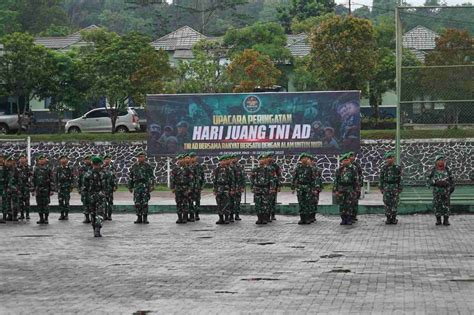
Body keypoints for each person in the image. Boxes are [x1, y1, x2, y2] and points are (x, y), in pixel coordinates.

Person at [128, 151, 155, 224]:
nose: (141, 158)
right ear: (137, 158)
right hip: (137, 186)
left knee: (145, 202)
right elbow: (131, 177)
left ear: (145, 157)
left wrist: (152, 185)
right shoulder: (134, 166)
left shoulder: (148, 166)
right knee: (137, 202)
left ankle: (145, 217)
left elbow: (152, 176)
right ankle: (139, 217)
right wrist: (130, 186)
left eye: (142, 157)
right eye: (139, 157)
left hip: (145, 186)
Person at [427, 155, 454, 226]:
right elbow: (428, 179)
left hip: (446, 191)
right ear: (436, 162)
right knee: (437, 205)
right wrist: (435, 182)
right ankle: (438, 220)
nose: (441, 162)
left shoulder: (447, 169)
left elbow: (452, 180)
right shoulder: (433, 170)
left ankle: (446, 220)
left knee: (446, 205)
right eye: (439, 160)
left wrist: (450, 187)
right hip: (437, 191)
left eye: (442, 160)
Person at [291, 153, 318, 225]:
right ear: (300, 159)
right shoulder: (297, 168)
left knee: (307, 203)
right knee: (301, 203)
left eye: (306, 158)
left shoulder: (310, 168)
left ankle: (307, 218)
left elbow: (313, 179)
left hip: (308, 187)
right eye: (303, 158)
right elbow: (294, 178)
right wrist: (293, 188)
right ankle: (302, 218)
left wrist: (314, 189)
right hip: (300, 187)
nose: (305, 159)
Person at [333, 152, 358, 225]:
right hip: (341, 189)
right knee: (342, 204)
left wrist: (356, 190)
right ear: (342, 161)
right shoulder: (339, 170)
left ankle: (349, 219)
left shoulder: (353, 169)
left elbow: (356, 180)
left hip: (350, 189)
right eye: (344, 160)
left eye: (347, 160)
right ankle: (343, 219)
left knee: (349, 204)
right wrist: (336, 190)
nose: (346, 161)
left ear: (349, 161)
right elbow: (336, 180)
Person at [83, 156, 106, 237]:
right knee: (100, 213)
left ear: (92, 164)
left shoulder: (87, 174)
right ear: (100, 164)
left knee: (92, 213)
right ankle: (97, 229)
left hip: (91, 196)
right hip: (100, 196)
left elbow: (84, 187)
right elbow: (106, 186)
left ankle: (94, 229)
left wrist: (85, 197)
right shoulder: (103, 173)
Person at [379, 151, 403, 224]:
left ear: (394, 158)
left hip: (394, 187)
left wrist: (400, 187)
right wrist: (381, 187)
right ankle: (388, 218)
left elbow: (400, 178)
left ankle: (394, 217)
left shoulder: (397, 168)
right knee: (387, 202)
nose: (389, 159)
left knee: (394, 203)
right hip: (386, 187)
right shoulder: (384, 168)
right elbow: (381, 178)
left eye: (391, 158)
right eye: (388, 158)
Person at [250, 154, 272, 225]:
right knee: (258, 204)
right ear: (258, 161)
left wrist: (271, 188)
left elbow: (272, 179)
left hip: (265, 188)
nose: (262, 160)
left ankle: (265, 218)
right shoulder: (255, 169)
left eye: (263, 159)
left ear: (265, 160)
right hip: (257, 188)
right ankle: (259, 218)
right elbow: (252, 179)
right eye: (260, 159)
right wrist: (252, 187)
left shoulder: (269, 169)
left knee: (265, 204)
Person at [170, 154, 193, 224]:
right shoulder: (175, 169)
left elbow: (191, 179)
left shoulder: (188, 169)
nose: (180, 160)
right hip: (178, 188)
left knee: (185, 203)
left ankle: (185, 217)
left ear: (184, 160)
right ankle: (179, 217)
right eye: (179, 159)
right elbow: (172, 179)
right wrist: (172, 187)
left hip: (185, 188)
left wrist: (190, 188)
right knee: (178, 203)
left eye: (182, 159)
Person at [213, 155, 234, 224]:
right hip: (219, 188)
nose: (223, 162)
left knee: (226, 203)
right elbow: (215, 180)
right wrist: (215, 189)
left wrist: (232, 189)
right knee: (219, 204)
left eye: (224, 160)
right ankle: (220, 218)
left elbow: (232, 180)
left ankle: (227, 218)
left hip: (226, 188)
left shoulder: (229, 169)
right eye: (222, 161)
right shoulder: (217, 169)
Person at [33, 155, 54, 224]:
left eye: (43, 159)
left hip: (46, 189)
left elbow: (51, 180)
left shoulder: (48, 169)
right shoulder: (36, 169)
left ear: (45, 161)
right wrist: (33, 190)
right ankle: (41, 218)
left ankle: (46, 218)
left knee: (46, 204)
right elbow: (34, 180)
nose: (41, 160)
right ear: (38, 161)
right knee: (39, 204)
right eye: (40, 159)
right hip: (38, 189)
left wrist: (51, 190)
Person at [55, 155, 74, 221]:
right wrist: (56, 186)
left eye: (65, 159)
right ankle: (61, 214)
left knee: (66, 201)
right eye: (62, 159)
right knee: (60, 201)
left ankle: (66, 214)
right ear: (60, 160)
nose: (63, 160)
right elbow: (56, 178)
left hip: (67, 187)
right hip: (60, 187)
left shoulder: (69, 168)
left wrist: (71, 186)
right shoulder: (58, 168)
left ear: (67, 160)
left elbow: (72, 177)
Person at [189, 152, 204, 222]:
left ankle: (197, 214)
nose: (193, 158)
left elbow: (203, 178)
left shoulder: (200, 167)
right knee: (190, 201)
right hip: (190, 187)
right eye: (192, 157)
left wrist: (202, 186)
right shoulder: (188, 167)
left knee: (197, 201)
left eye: (194, 157)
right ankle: (191, 215)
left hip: (197, 187)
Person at [17, 153, 32, 220]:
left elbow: (32, 177)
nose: (22, 159)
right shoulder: (16, 168)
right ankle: (22, 214)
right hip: (19, 187)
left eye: (23, 158)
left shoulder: (29, 167)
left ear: (26, 159)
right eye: (21, 158)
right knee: (20, 202)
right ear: (19, 159)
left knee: (27, 201)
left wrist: (31, 186)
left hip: (26, 187)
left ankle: (27, 214)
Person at [230, 154, 245, 221]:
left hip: (238, 187)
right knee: (230, 202)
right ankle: (231, 216)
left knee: (238, 202)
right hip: (231, 187)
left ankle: (237, 215)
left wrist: (242, 186)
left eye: (235, 158)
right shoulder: (229, 167)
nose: (234, 159)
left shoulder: (240, 167)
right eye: (233, 158)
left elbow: (242, 177)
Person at [102, 154, 118, 221]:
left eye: (108, 159)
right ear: (104, 160)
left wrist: (115, 186)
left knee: (110, 202)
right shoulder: (101, 167)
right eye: (106, 159)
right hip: (102, 187)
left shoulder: (112, 168)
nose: (107, 160)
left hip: (110, 187)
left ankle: (109, 215)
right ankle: (104, 215)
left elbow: (115, 177)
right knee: (103, 202)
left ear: (110, 160)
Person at [267, 153, 281, 221]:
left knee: (272, 201)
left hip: (274, 186)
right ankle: (267, 215)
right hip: (266, 187)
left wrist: (278, 186)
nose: (270, 158)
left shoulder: (276, 166)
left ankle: (272, 215)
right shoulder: (265, 165)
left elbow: (279, 176)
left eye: (271, 157)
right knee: (266, 201)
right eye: (269, 157)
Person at [78, 155, 92, 223]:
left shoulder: (94, 167)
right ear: (84, 160)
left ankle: (93, 217)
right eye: (86, 159)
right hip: (84, 189)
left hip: (92, 189)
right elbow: (79, 179)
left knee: (92, 203)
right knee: (85, 203)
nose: (87, 160)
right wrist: (79, 188)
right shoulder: (82, 168)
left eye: (89, 159)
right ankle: (87, 217)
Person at [5, 156, 20, 221]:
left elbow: (19, 180)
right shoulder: (5, 170)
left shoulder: (16, 170)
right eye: (8, 162)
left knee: (15, 202)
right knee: (7, 202)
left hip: (14, 189)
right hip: (7, 189)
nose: (10, 163)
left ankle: (15, 215)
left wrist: (17, 188)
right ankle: (9, 215)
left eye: (11, 161)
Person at [349, 152, 363, 222]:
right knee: (349, 202)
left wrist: (360, 185)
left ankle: (354, 215)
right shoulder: (346, 166)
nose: (352, 157)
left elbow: (360, 175)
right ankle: (349, 216)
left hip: (356, 187)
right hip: (349, 187)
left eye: (353, 156)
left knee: (355, 201)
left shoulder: (357, 165)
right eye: (350, 156)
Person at [310, 155, 323, 223]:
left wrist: (318, 188)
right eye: (312, 161)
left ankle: (313, 216)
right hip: (309, 188)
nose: (313, 162)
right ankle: (309, 216)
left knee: (314, 202)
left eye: (314, 161)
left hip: (316, 188)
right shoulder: (308, 168)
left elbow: (319, 179)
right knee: (309, 202)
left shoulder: (317, 169)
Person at [0, 155, 6, 223]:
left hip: (4, 187)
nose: (0, 159)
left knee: (4, 202)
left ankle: (4, 216)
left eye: (1, 158)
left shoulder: (5, 167)